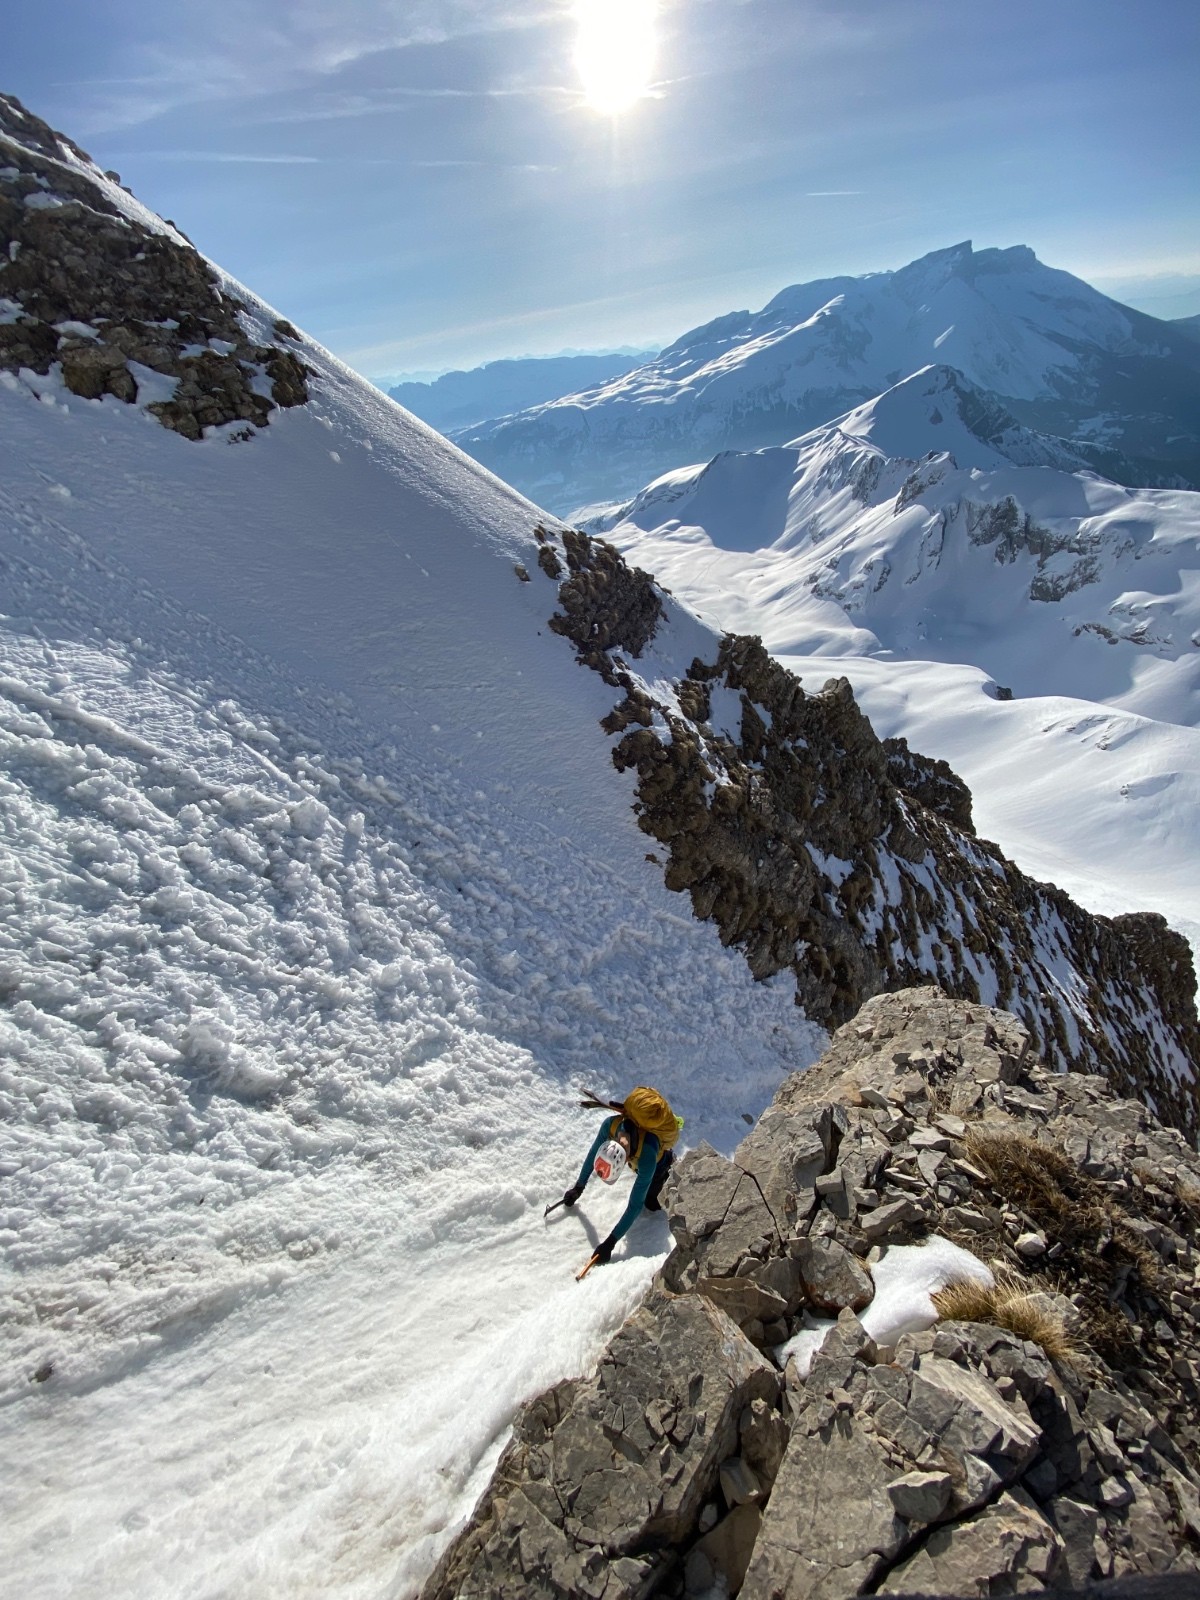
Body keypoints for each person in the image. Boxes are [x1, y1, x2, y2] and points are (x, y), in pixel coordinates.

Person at [556, 1086, 682, 1269]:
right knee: (644, 1186)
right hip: (638, 1160)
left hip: (657, 1164)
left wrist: (610, 1243)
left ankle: (670, 1162)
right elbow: (593, 1155)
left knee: (651, 1204)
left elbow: (634, 1206)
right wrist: (578, 1187)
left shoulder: (647, 1158)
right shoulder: (610, 1126)